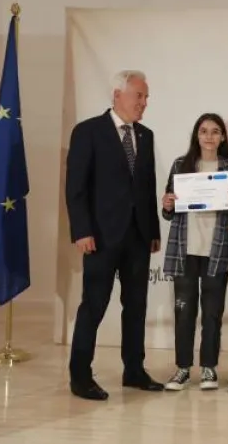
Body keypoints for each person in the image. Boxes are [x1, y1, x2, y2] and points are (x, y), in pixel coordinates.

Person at [65, 69, 164, 400]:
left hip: (138, 237)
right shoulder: (88, 131)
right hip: (101, 237)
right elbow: (75, 187)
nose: (144, 102)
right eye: (139, 96)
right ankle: (80, 376)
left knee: (136, 306)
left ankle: (134, 370)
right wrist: (82, 230)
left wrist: (152, 230)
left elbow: (147, 187)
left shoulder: (145, 136)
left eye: (146, 97)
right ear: (118, 95)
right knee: (93, 306)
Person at [160, 113, 228, 391]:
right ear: (197, 134)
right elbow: (169, 211)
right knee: (184, 312)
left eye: (215, 131)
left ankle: (209, 368)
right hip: (184, 250)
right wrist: (167, 204)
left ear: (222, 137)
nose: (209, 136)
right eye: (204, 131)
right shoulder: (180, 165)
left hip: (216, 250)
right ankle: (182, 368)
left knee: (212, 313)